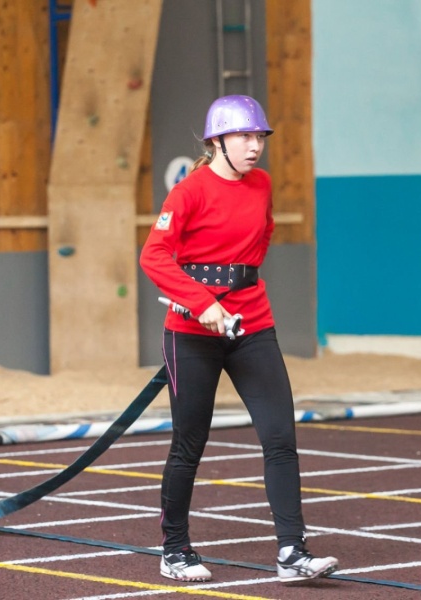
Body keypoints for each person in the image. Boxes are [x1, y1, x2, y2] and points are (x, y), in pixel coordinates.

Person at [139, 95, 339, 584]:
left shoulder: (262, 185)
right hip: (191, 333)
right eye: (245, 137)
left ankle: (292, 552)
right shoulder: (188, 192)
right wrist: (202, 302)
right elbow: (154, 256)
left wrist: (236, 287)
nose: (255, 146)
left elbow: (261, 237)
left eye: (259, 137)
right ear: (217, 141)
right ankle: (174, 549)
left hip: (252, 326)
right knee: (189, 444)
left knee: (280, 438)